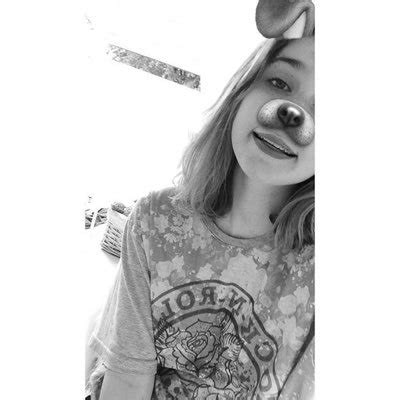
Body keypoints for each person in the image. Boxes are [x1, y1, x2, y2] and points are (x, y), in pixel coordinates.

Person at [87, 33, 315, 400]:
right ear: (242, 92)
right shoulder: (154, 221)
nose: (291, 112)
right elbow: (127, 381)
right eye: (279, 82)